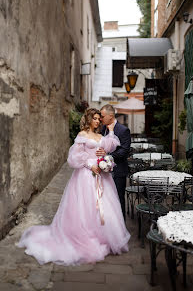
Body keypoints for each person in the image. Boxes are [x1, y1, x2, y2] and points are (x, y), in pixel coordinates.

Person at [17, 108, 130, 265]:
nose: (98, 121)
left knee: (104, 207)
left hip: (102, 178)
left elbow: (110, 147)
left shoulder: (100, 136)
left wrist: (106, 152)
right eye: (95, 118)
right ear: (89, 119)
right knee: (84, 208)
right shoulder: (82, 136)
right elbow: (74, 158)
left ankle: (103, 237)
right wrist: (91, 165)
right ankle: (82, 238)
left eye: (99, 118)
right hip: (85, 177)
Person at [96, 104, 131, 221]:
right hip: (104, 172)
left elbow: (124, 151)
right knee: (106, 199)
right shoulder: (102, 129)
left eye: (102, 116)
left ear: (111, 116)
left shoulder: (123, 130)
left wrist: (107, 156)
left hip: (118, 171)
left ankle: (121, 225)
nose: (101, 118)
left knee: (118, 198)